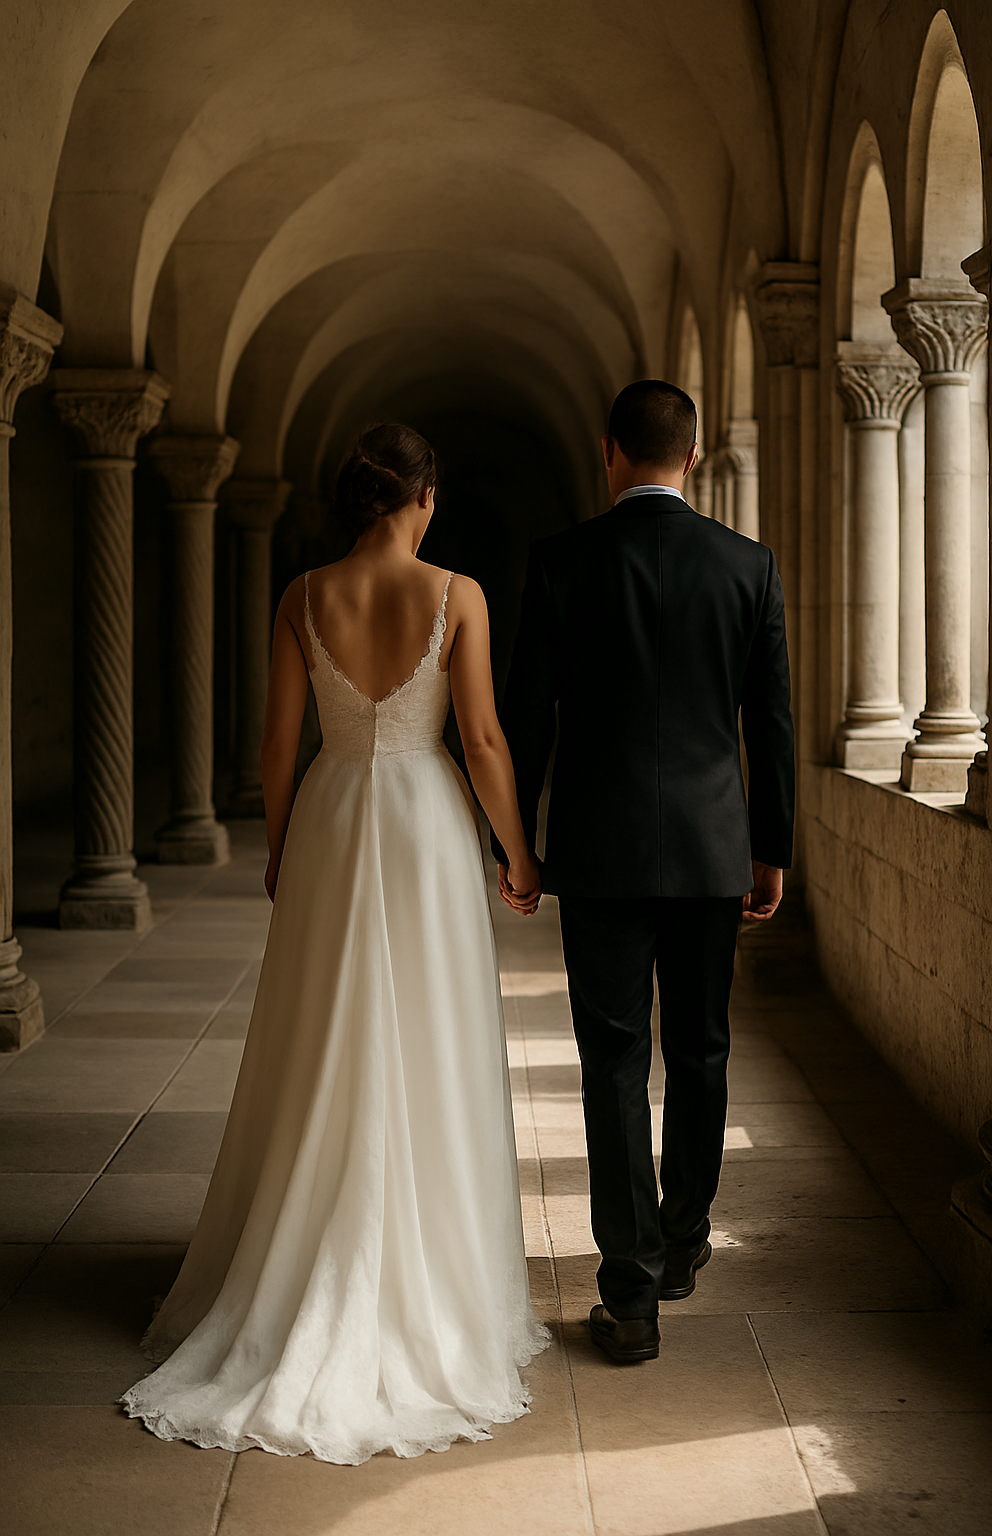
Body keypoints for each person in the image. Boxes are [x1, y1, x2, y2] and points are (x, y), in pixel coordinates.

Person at [122, 422, 548, 1464]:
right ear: (424, 498)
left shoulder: (303, 593)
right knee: (429, 1040)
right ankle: (426, 1282)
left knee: (321, 1036)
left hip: (328, 815)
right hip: (424, 819)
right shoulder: (459, 593)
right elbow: (483, 739)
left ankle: (304, 1250)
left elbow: (278, 741)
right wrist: (519, 854)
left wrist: (280, 847)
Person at [495, 380, 794, 1365]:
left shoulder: (562, 562)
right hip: (712, 850)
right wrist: (770, 846)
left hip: (602, 851)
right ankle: (680, 1244)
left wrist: (520, 850)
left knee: (615, 1062)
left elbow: (525, 714)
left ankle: (628, 1295)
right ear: (695, 458)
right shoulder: (748, 566)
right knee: (701, 1052)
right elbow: (771, 723)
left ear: (608, 452)